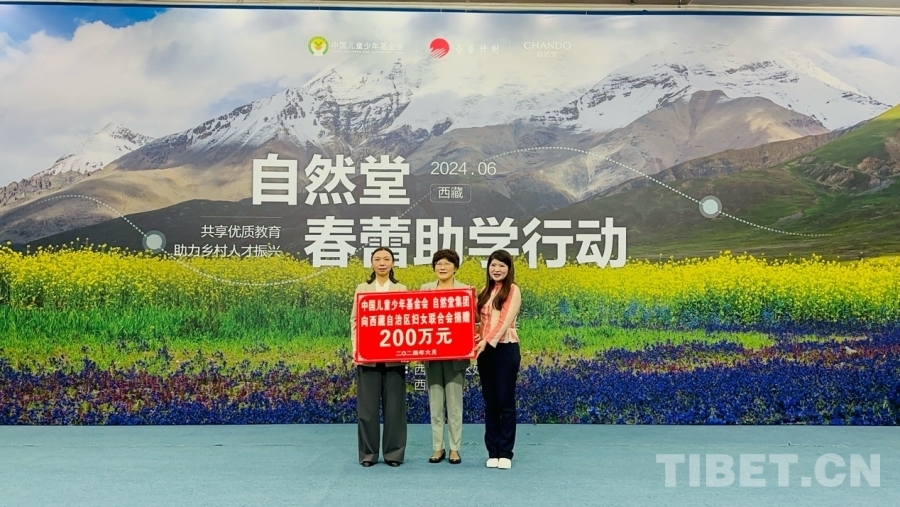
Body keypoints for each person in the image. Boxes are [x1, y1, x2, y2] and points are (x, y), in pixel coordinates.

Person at [350, 247, 408, 467]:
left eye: (386, 259)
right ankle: (368, 454)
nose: (382, 263)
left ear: (393, 263)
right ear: (372, 263)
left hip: (394, 357)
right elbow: (355, 321)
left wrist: (407, 350)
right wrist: (357, 349)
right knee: (367, 409)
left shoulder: (401, 289)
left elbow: (407, 322)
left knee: (395, 409)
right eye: (377, 259)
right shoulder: (362, 288)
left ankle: (394, 454)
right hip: (368, 357)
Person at [419, 249, 470, 465]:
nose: (442, 267)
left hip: (456, 357)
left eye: (447, 263)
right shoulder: (425, 289)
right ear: (433, 268)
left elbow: (472, 321)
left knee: (455, 404)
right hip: (432, 356)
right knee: (436, 403)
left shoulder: (466, 290)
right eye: (438, 263)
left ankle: (455, 449)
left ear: (455, 268)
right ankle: (437, 447)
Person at [473, 249, 521, 470]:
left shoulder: (513, 290)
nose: (497, 269)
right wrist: (476, 336)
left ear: (509, 269)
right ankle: (492, 451)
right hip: (485, 352)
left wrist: (485, 341)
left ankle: (505, 452)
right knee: (490, 402)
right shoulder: (484, 291)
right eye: (493, 265)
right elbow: (477, 321)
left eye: (502, 265)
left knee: (505, 402)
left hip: (505, 350)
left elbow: (504, 322)